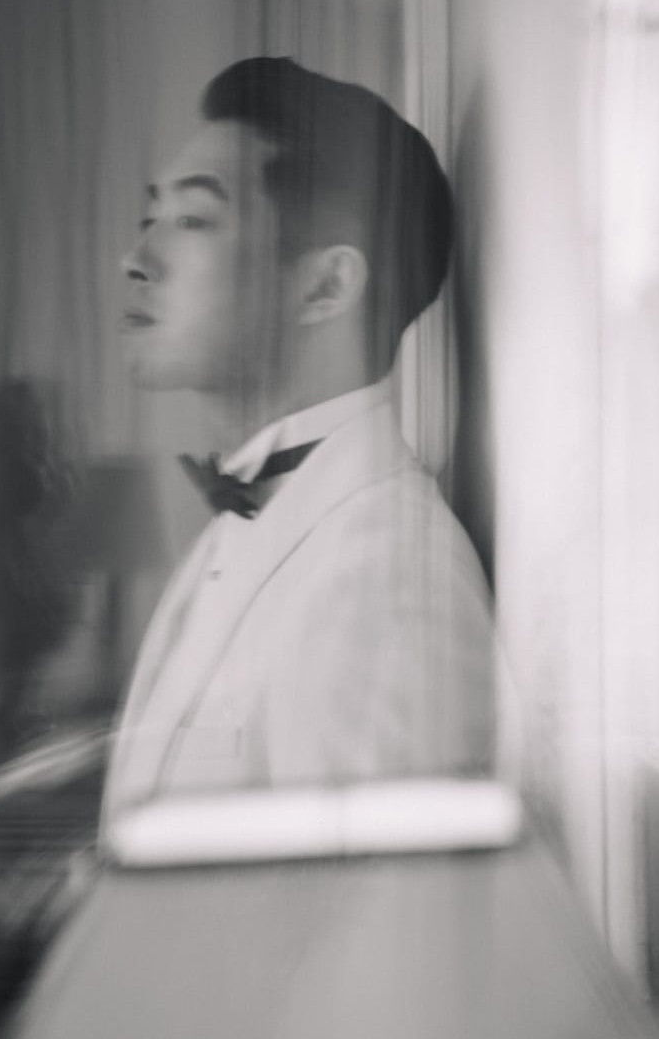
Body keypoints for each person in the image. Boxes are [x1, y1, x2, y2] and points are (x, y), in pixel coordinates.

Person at [102, 56, 495, 822]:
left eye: (192, 220)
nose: (136, 258)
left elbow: (384, 927)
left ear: (325, 286)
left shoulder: (386, 582)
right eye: (151, 218)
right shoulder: (256, 510)